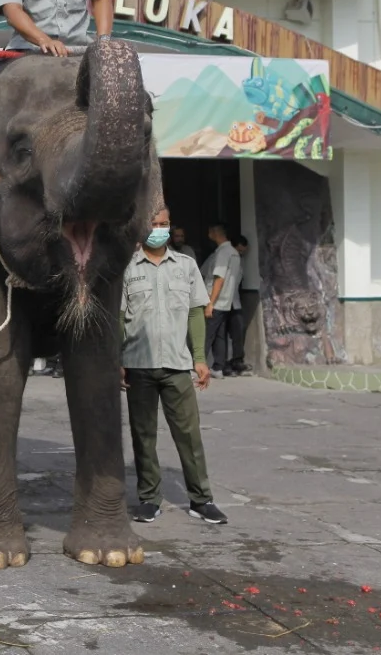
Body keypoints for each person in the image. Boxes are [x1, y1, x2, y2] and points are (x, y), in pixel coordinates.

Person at [121, 207, 227, 527]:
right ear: (143, 228)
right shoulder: (128, 268)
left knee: (189, 435)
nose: (158, 229)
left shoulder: (186, 266)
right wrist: (116, 358)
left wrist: (199, 358)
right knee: (143, 436)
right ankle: (149, 499)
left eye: (163, 224)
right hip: (138, 365)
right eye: (153, 224)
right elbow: (117, 318)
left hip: (178, 367)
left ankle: (201, 499)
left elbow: (196, 313)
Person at [199, 223, 241, 379]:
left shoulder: (224, 253)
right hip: (226, 302)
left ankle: (197, 365)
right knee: (219, 335)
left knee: (206, 334)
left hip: (217, 301)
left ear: (215, 233)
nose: (208, 235)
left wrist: (210, 302)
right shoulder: (233, 252)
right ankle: (218, 367)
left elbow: (219, 279)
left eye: (210, 232)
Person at [225, 235, 250, 375]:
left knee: (238, 331)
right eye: (240, 251)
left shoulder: (240, 261)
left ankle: (237, 360)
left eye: (243, 252)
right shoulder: (221, 256)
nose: (241, 254)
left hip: (235, 302)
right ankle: (224, 363)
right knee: (222, 334)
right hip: (221, 302)